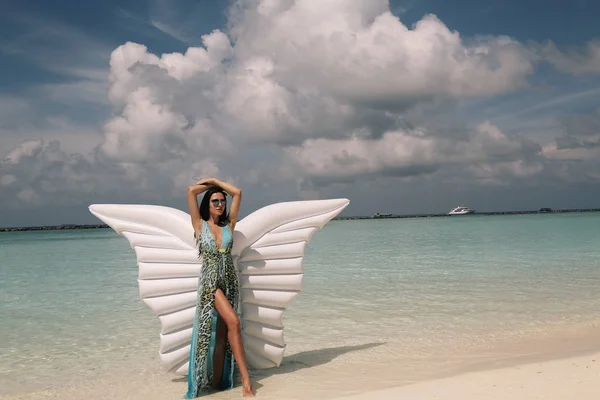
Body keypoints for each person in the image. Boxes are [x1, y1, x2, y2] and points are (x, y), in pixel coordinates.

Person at [185, 177, 255, 398]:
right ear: (207, 204)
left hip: (229, 282)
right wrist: (211, 184)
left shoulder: (229, 225)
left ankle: (218, 386)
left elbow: (238, 192)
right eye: (215, 201)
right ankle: (246, 383)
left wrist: (217, 181)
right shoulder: (199, 224)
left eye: (222, 201)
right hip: (210, 284)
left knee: (223, 337)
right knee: (234, 322)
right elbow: (190, 191)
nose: (219, 205)